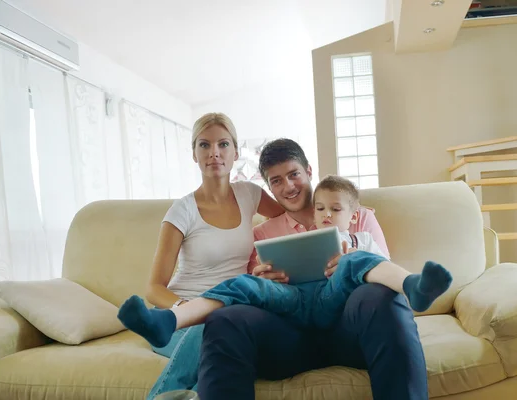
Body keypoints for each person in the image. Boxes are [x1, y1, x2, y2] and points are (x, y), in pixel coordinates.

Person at [196, 138, 433, 400]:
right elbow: (255, 293)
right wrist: (265, 279)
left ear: (308, 171)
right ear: (270, 187)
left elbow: (383, 271)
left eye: (294, 174)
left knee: (382, 296)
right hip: (289, 339)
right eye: (276, 181)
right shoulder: (262, 234)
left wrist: (353, 257)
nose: (288, 186)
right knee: (225, 320)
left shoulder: (359, 216)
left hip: (350, 331)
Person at [117, 175, 452, 343]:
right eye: (320, 209)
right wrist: (265, 275)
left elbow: (379, 267)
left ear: (354, 216)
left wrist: (355, 255)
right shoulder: (283, 233)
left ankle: (414, 286)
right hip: (293, 299)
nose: (324, 214)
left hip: (332, 301)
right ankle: (169, 322)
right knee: (244, 284)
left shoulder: (361, 238)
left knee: (355, 262)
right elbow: (259, 278)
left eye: (335, 210)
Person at [121, 112, 285, 399]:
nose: (214, 154)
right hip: (180, 321)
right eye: (204, 145)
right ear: (194, 154)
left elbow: (291, 216)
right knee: (212, 332)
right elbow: (154, 288)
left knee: (221, 343)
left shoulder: (250, 194)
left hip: (230, 313)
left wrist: (339, 213)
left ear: (235, 152)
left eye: (223, 145)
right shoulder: (181, 211)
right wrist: (188, 309)